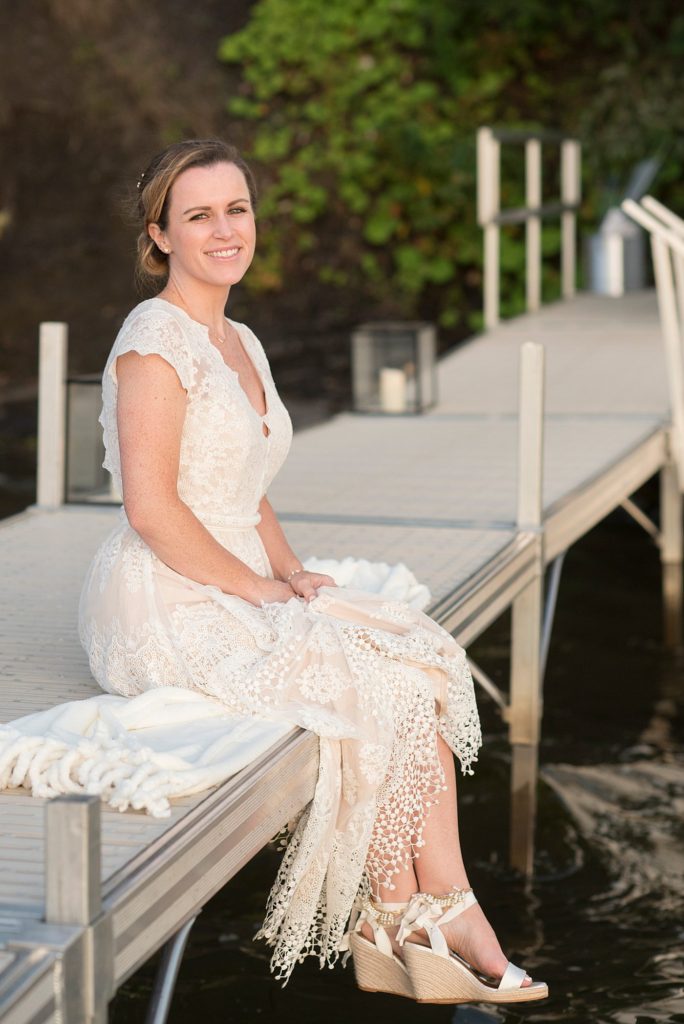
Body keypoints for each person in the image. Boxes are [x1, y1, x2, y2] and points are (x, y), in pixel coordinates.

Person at [77, 138, 547, 1004]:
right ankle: (411, 910)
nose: (225, 229)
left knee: (411, 657)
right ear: (161, 236)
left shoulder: (240, 339)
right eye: (199, 215)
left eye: (237, 209)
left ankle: (429, 907)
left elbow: (245, 486)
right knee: (356, 676)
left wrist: (291, 572)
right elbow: (152, 509)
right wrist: (257, 587)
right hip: (163, 594)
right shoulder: (154, 340)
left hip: (236, 569)